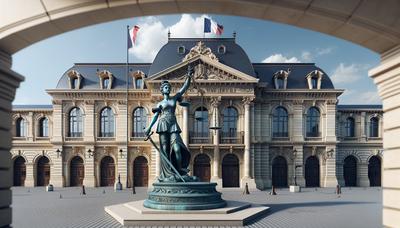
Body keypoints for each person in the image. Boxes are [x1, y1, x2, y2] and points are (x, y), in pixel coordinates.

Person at [145, 65, 195, 182]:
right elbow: (156, 116)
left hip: (173, 125)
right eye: (165, 87)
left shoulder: (174, 98)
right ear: (162, 90)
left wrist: (189, 75)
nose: (167, 88)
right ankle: (167, 174)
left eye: (168, 87)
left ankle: (180, 170)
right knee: (165, 149)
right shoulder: (159, 104)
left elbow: (184, 87)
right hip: (162, 124)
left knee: (177, 148)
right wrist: (149, 128)